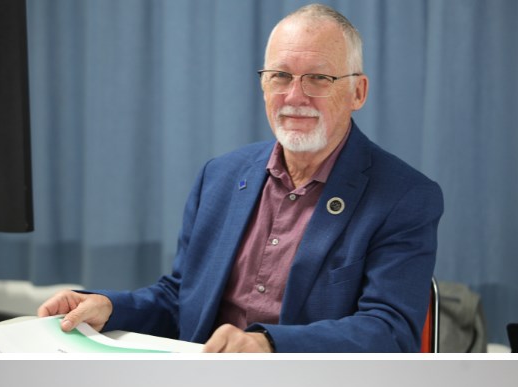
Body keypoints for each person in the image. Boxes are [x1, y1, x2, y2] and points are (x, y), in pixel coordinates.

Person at [37, 4, 442, 353]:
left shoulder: (405, 197)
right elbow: (181, 296)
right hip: (204, 382)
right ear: (263, 85)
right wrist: (110, 306)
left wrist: (267, 344)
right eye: (280, 76)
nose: (295, 96)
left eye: (319, 78)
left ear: (358, 92)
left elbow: (389, 332)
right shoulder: (220, 176)